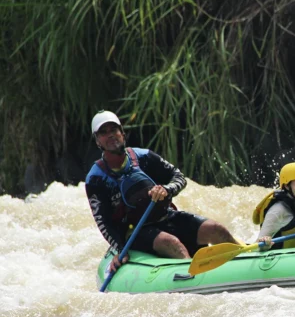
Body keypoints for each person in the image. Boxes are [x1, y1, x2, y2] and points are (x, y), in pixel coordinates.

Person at [85, 110, 238, 273]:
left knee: (216, 229)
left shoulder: (144, 157)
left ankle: (244, 260)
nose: (110, 135)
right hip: (134, 231)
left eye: (113, 129)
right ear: (98, 141)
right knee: (172, 243)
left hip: (165, 217)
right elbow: (104, 223)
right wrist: (120, 248)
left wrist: (167, 189)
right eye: (103, 132)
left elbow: (179, 177)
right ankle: (193, 277)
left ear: (122, 133)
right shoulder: (96, 179)